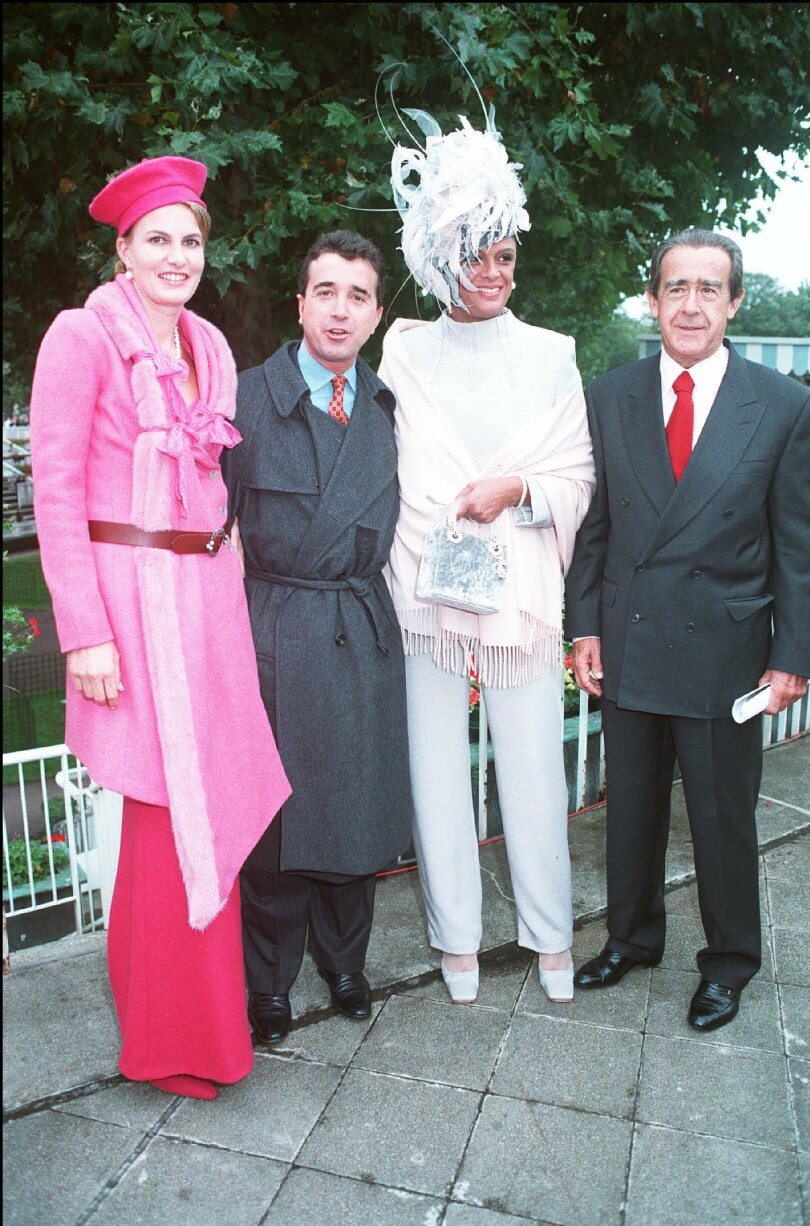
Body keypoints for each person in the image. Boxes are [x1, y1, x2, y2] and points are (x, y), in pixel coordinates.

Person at [29, 156, 291, 1099]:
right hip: (130, 614)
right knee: (156, 816)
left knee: (211, 800)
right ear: (123, 251)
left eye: (191, 240)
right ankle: (168, 1043)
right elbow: (56, 496)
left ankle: (210, 1032)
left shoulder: (210, 350)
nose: (177, 256)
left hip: (206, 608)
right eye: (158, 240)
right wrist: (84, 634)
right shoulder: (81, 337)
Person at [565, 229, 809, 1031]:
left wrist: (792, 657)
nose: (692, 304)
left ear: (735, 302)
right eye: (677, 288)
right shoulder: (611, 395)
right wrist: (584, 627)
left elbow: (795, 545)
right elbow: (595, 528)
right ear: (653, 300)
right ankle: (632, 939)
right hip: (632, 639)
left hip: (724, 649)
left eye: (710, 288)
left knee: (720, 816)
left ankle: (730, 962)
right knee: (628, 807)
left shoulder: (781, 404)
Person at [379, 111, 595, 1005]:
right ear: (439, 259)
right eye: (477, 254)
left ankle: (551, 938)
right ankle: (454, 940)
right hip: (421, 596)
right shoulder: (400, 349)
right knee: (436, 771)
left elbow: (577, 474)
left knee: (535, 771)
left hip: (522, 602)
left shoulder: (554, 357)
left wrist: (518, 491)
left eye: (506, 255)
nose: (496, 272)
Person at [222, 230, 412, 1044]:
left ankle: (345, 964)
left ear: (375, 315)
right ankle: (268, 980)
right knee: (275, 821)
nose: (340, 310)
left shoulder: (386, 407)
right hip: (272, 627)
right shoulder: (241, 399)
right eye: (325, 291)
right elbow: (208, 525)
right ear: (300, 304)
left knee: (356, 808)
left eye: (358, 296)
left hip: (362, 626)